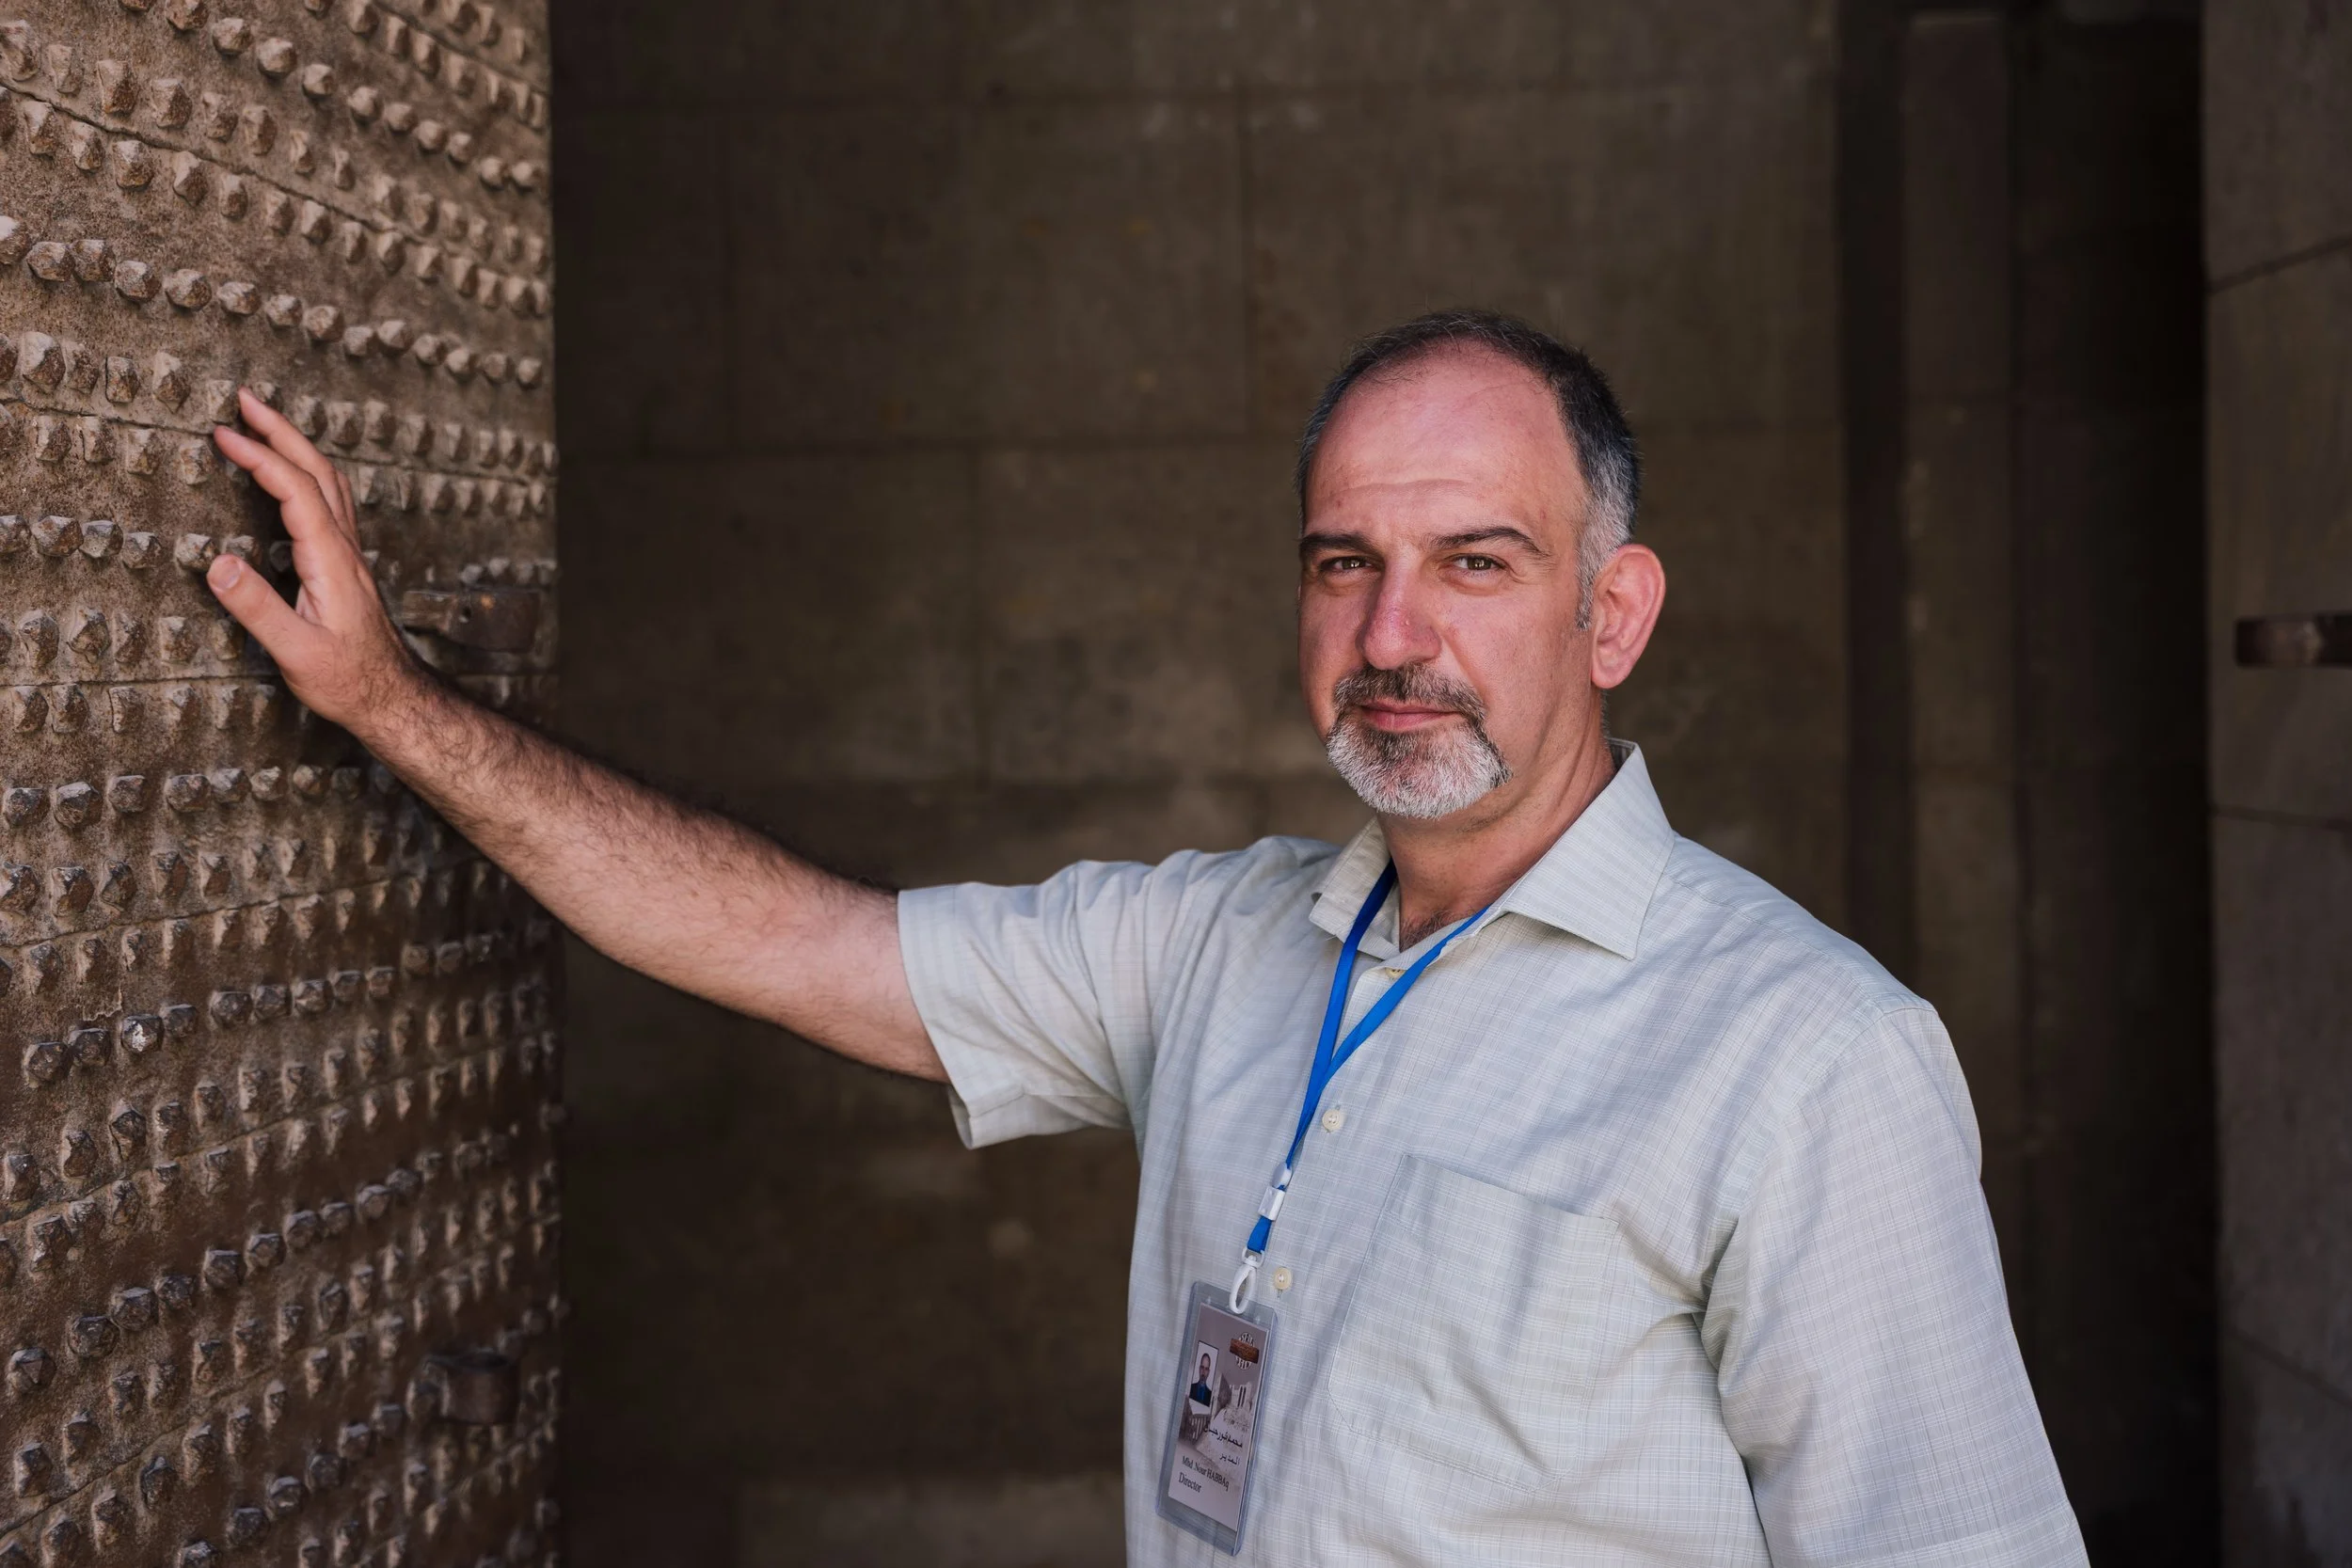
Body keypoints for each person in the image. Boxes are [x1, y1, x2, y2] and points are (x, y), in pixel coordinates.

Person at [205, 309, 2088, 1565]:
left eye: (1474, 562)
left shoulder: (1800, 1057)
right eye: (1340, 562)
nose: (1390, 634)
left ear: (1614, 613)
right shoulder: (1220, 944)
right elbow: (790, 939)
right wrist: (391, 704)